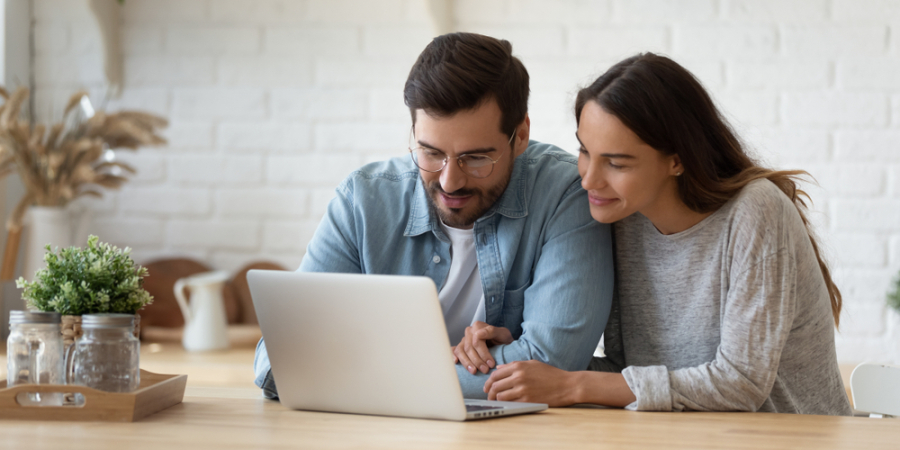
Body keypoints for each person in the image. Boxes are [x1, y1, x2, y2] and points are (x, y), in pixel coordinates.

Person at [482, 53, 853, 415]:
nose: (589, 179)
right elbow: (632, 376)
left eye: (616, 163)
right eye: (584, 151)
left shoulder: (756, 211)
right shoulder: (623, 218)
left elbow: (741, 383)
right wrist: (528, 360)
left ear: (677, 160)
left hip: (790, 437)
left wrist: (573, 385)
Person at [253, 33, 614, 399]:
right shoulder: (362, 201)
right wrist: (453, 364)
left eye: (475, 158)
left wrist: (364, 371)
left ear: (520, 136)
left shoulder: (565, 194)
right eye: (431, 153)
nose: (449, 181)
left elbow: (554, 363)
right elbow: (279, 360)